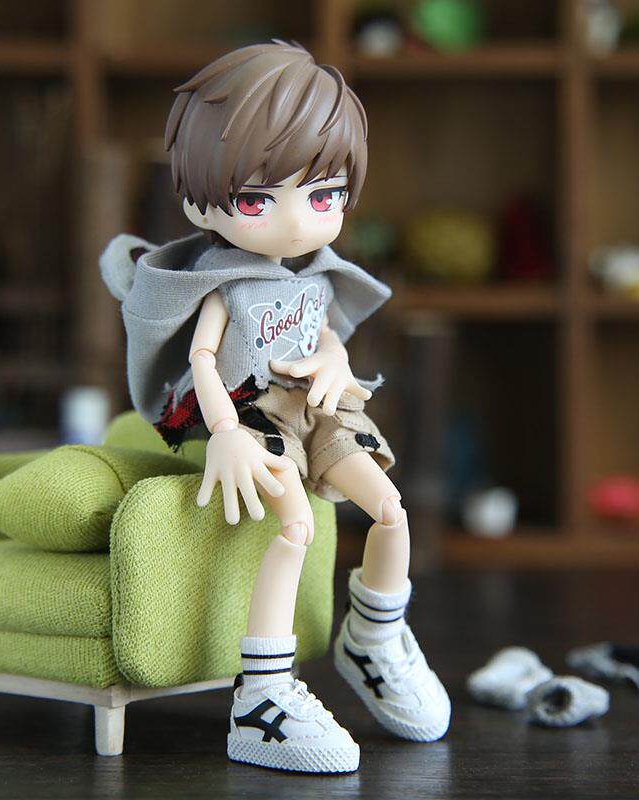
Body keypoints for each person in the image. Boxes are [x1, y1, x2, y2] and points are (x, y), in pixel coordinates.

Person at [100, 40, 450, 774]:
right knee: (295, 526)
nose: (296, 223)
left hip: (314, 408)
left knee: (390, 508)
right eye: (258, 200)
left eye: (323, 197)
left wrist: (335, 361)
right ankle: (260, 698)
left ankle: (374, 638)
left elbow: (326, 333)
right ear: (199, 200)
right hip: (251, 415)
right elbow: (202, 359)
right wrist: (223, 431)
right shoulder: (223, 282)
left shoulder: (313, 274)